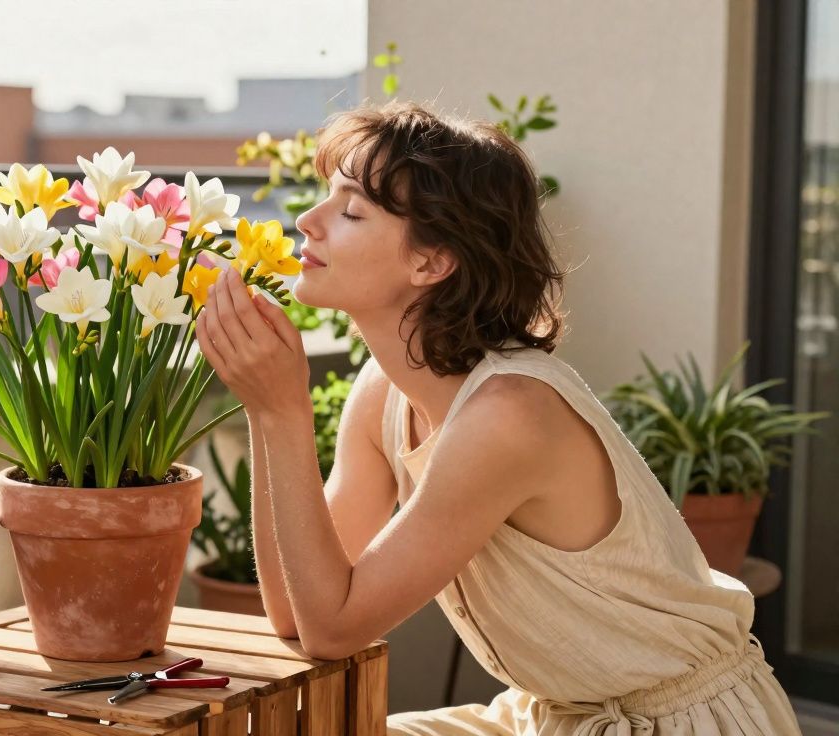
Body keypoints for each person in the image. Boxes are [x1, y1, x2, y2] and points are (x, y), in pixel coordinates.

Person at [196, 99, 801, 735]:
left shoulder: (508, 415)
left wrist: (283, 409)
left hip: (679, 721)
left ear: (431, 262)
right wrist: (264, 407)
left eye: (350, 211)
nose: (306, 221)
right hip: (556, 715)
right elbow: (296, 614)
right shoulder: (382, 394)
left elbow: (333, 630)